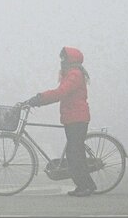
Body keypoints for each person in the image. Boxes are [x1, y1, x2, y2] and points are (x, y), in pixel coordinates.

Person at [25, 46, 97, 197]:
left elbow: (60, 93)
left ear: (71, 60)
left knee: (74, 154)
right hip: (72, 117)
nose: (62, 61)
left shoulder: (74, 75)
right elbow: (61, 92)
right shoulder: (69, 74)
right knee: (74, 153)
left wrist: (39, 99)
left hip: (77, 118)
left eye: (64, 58)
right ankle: (86, 185)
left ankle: (85, 186)